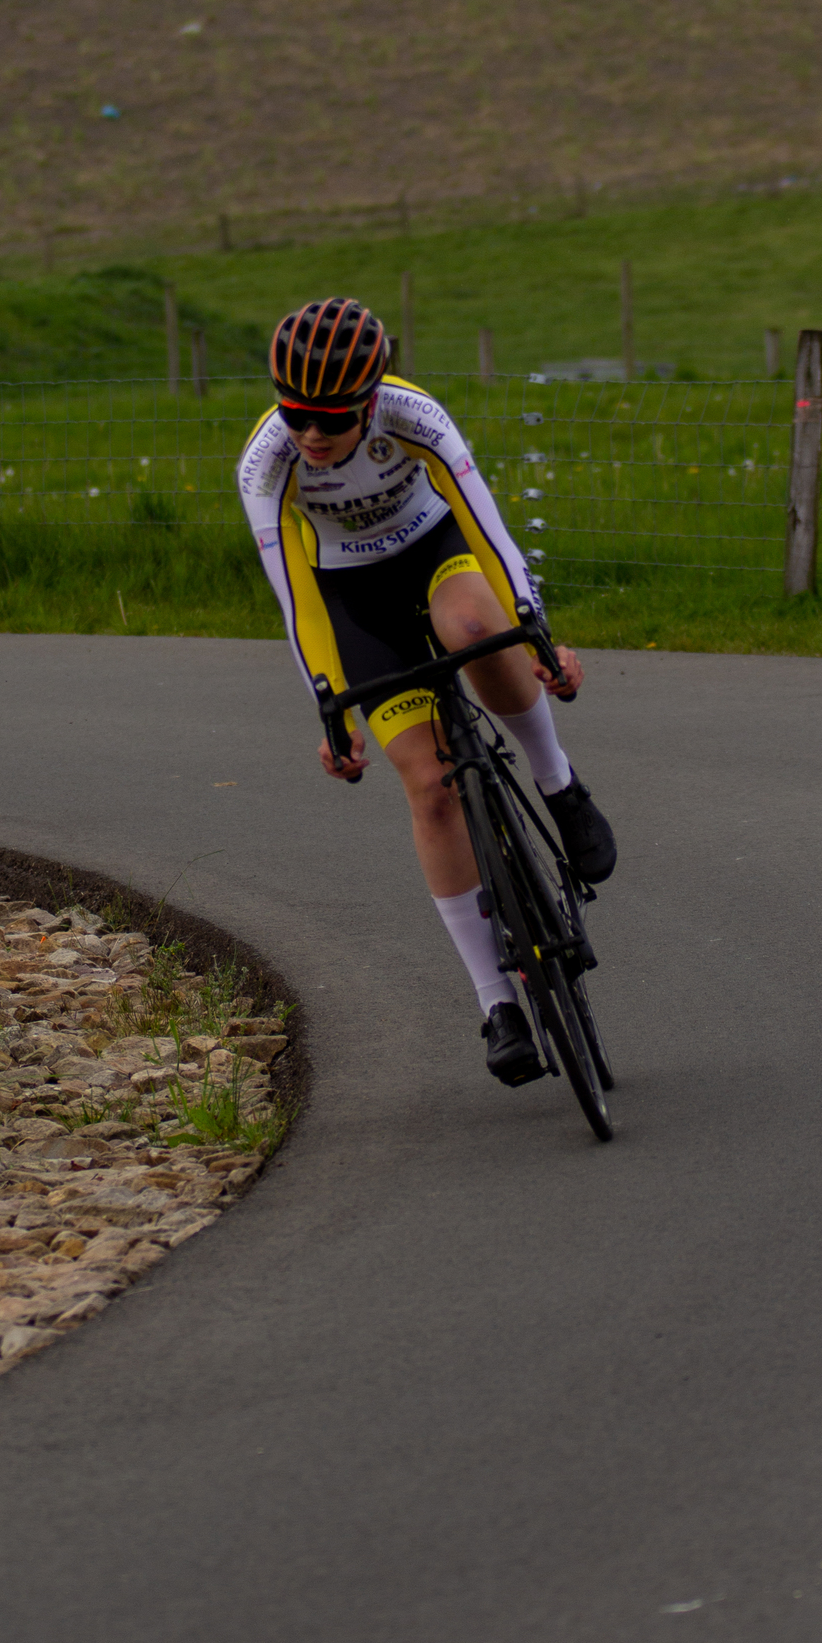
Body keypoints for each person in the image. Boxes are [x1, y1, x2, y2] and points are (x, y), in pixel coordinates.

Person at [237, 296, 618, 1087]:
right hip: (352, 599)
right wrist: (329, 705)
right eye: (295, 413)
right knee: (430, 787)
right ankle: (496, 1003)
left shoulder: (413, 417)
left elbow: (486, 526)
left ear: (369, 402)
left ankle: (559, 782)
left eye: (331, 418)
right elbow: (297, 599)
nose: (310, 434)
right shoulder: (266, 462)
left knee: (478, 632)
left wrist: (536, 627)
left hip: (435, 550)